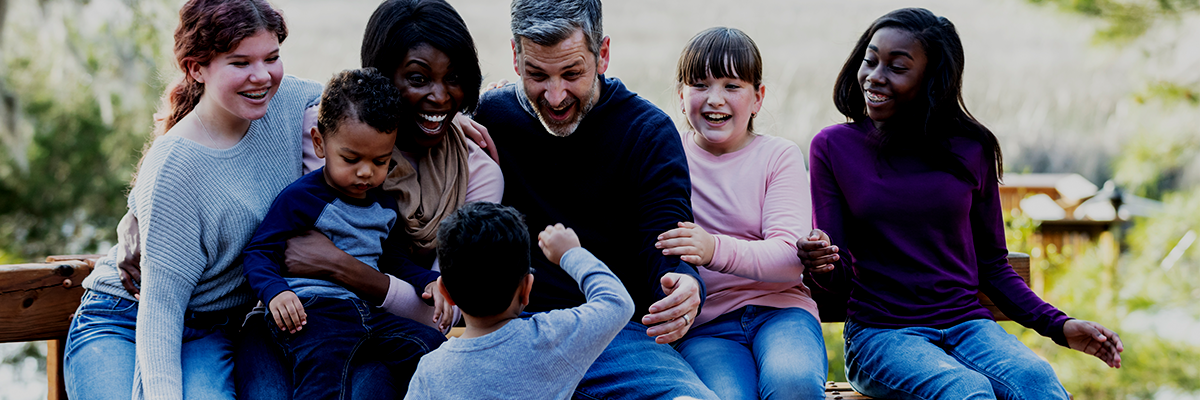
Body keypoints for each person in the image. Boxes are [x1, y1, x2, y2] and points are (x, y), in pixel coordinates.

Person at [798, 8, 1124, 400]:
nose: (875, 76)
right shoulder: (834, 147)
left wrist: (1060, 325)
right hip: (881, 335)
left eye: (897, 67)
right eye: (870, 60)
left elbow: (992, 265)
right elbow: (838, 278)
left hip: (968, 326)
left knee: (1038, 383)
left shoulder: (972, 147)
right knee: (965, 391)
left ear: (931, 80)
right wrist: (820, 262)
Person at [232, 0, 503, 398]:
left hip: (371, 316)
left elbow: (412, 277)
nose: (440, 97)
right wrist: (143, 205)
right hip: (302, 314)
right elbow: (226, 99)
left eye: (454, 78)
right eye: (418, 78)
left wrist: (347, 267)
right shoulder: (325, 129)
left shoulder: (460, 179)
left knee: (419, 359)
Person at [61, 0, 324, 399]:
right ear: (196, 68)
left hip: (209, 328)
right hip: (126, 318)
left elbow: (365, 102)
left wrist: (453, 122)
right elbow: (159, 313)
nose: (262, 76)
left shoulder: (289, 100)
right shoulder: (176, 164)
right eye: (239, 63)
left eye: (272, 57)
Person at [471, 0, 717, 398]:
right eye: (537, 75)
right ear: (515, 58)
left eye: (572, 73)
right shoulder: (487, 120)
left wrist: (683, 285)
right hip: (512, 331)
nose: (554, 97)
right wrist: (453, 123)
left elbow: (667, 239)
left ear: (602, 54)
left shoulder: (647, 132)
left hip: (615, 335)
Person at [239, 68, 446, 400]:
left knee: (432, 348)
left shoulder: (385, 205)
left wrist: (427, 281)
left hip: (369, 316)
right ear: (320, 143)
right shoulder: (301, 198)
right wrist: (275, 292)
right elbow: (259, 251)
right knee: (325, 383)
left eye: (380, 161)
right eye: (351, 159)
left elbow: (393, 261)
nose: (366, 172)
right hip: (312, 314)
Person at [654, 27, 827, 400]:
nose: (715, 99)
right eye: (700, 84)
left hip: (781, 312)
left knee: (792, 383)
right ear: (682, 96)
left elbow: (787, 259)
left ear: (757, 98)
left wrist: (713, 249)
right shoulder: (668, 155)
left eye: (732, 86)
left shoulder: (777, 156)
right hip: (707, 326)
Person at [405, 203, 634, 399]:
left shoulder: (431, 371)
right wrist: (570, 253)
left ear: (445, 292)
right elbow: (617, 302)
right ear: (527, 289)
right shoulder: (551, 337)